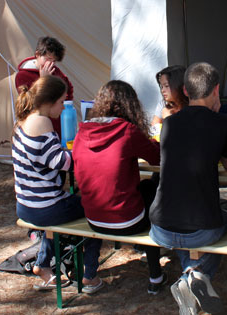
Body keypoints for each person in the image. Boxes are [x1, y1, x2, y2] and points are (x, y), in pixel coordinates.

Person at [149, 62, 227, 315]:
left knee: (186, 222)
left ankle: (190, 279)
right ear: (216, 90)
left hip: (160, 228)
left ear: (186, 92)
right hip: (200, 230)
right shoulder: (222, 124)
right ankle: (194, 275)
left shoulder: (168, 124)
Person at [72, 80, 166, 295]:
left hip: (94, 220)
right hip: (127, 221)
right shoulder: (127, 131)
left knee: (141, 189)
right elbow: (157, 156)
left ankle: (90, 272)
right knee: (151, 187)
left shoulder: (82, 132)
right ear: (130, 105)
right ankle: (155, 275)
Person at [12, 76, 102, 292]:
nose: (63, 108)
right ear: (49, 101)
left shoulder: (23, 120)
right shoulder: (41, 122)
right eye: (62, 102)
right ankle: (89, 275)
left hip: (25, 204)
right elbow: (62, 162)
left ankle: (43, 264)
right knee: (98, 212)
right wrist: (85, 147)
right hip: (45, 207)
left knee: (63, 214)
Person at [15, 36, 74, 138]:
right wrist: (43, 81)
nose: (51, 63)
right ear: (37, 54)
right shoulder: (22, 76)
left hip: (58, 127)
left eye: (54, 61)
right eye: (48, 59)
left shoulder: (56, 72)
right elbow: (29, 105)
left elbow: (68, 91)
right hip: (36, 130)